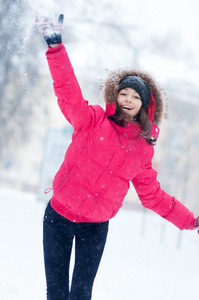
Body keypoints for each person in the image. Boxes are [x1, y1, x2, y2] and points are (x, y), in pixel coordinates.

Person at [36, 15, 199, 300]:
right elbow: (68, 93)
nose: (128, 98)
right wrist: (56, 49)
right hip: (58, 216)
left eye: (135, 96)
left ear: (145, 106)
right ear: (115, 95)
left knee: (81, 295)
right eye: (123, 92)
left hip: (95, 227)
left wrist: (192, 222)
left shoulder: (142, 149)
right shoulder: (91, 120)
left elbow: (153, 196)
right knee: (57, 293)